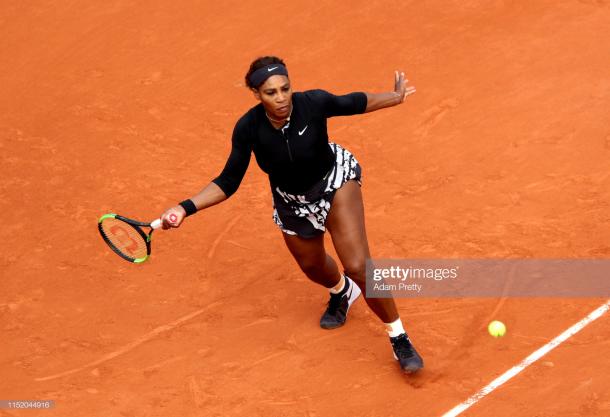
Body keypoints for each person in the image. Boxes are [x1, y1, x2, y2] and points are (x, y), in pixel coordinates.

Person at [159, 56, 423, 373]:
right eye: (271, 92)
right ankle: (341, 292)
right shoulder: (248, 128)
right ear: (256, 94)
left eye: (285, 88)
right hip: (291, 201)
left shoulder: (312, 103)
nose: (281, 97)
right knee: (312, 265)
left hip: (334, 182)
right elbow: (228, 181)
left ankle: (399, 336)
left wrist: (395, 97)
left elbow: (354, 102)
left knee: (357, 265)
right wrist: (183, 208)